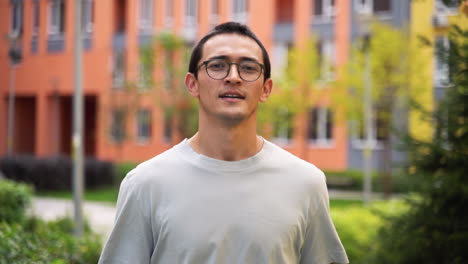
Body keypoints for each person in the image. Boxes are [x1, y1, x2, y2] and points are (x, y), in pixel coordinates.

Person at [99, 22, 349, 264]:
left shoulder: (305, 183)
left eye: (249, 68)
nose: (233, 77)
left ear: (266, 89)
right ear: (192, 84)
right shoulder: (145, 184)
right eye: (217, 66)